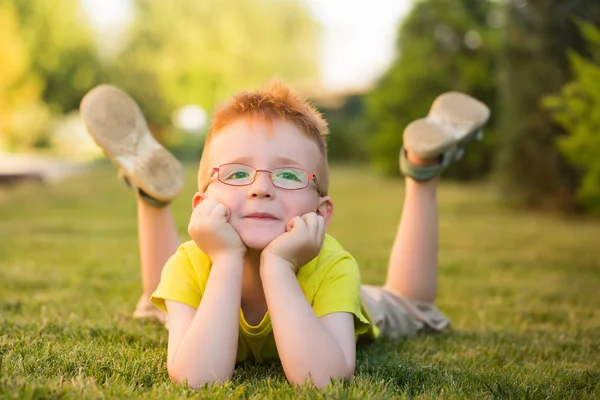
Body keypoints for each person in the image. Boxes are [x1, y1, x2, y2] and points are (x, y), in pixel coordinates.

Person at [79, 80, 489, 388]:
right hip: (202, 278)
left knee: (411, 304)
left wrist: (278, 266)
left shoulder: (334, 266)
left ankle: (423, 168)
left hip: (330, 300)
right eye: (237, 173)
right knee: (162, 304)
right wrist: (223, 260)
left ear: (321, 212)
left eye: (289, 175)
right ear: (202, 206)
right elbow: (196, 379)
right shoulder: (193, 262)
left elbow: (322, 380)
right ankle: (152, 199)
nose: (261, 187)